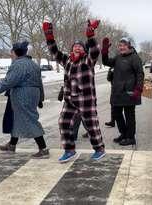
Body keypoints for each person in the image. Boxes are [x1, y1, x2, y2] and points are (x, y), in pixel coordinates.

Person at [43, 20, 105, 162]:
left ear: (84, 49)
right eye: (75, 46)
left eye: (80, 46)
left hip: (86, 100)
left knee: (91, 125)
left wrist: (90, 35)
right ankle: (69, 150)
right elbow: (54, 52)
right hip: (70, 99)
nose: (77, 48)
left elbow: (95, 50)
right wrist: (49, 36)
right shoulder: (67, 61)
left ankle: (99, 148)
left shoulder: (88, 61)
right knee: (63, 122)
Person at [0, 41, 48, 158]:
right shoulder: (33, 63)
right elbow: (39, 83)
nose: (11, 54)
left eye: (11, 51)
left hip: (23, 94)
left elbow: (9, 81)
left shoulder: (18, 64)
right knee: (16, 118)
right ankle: (12, 144)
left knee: (29, 119)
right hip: (32, 93)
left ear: (15, 52)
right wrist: (40, 97)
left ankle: (43, 148)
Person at [102, 37, 144, 146]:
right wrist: (105, 50)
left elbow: (140, 74)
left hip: (129, 92)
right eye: (120, 45)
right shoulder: (118, 57)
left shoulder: (134, 58)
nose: (122, 47)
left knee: (129, 115)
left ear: (129, 46)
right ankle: (124, 133)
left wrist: (138, 89)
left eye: (124, 45)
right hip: (117, 92)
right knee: (117, 114)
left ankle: (130, 137)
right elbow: (106, 61)